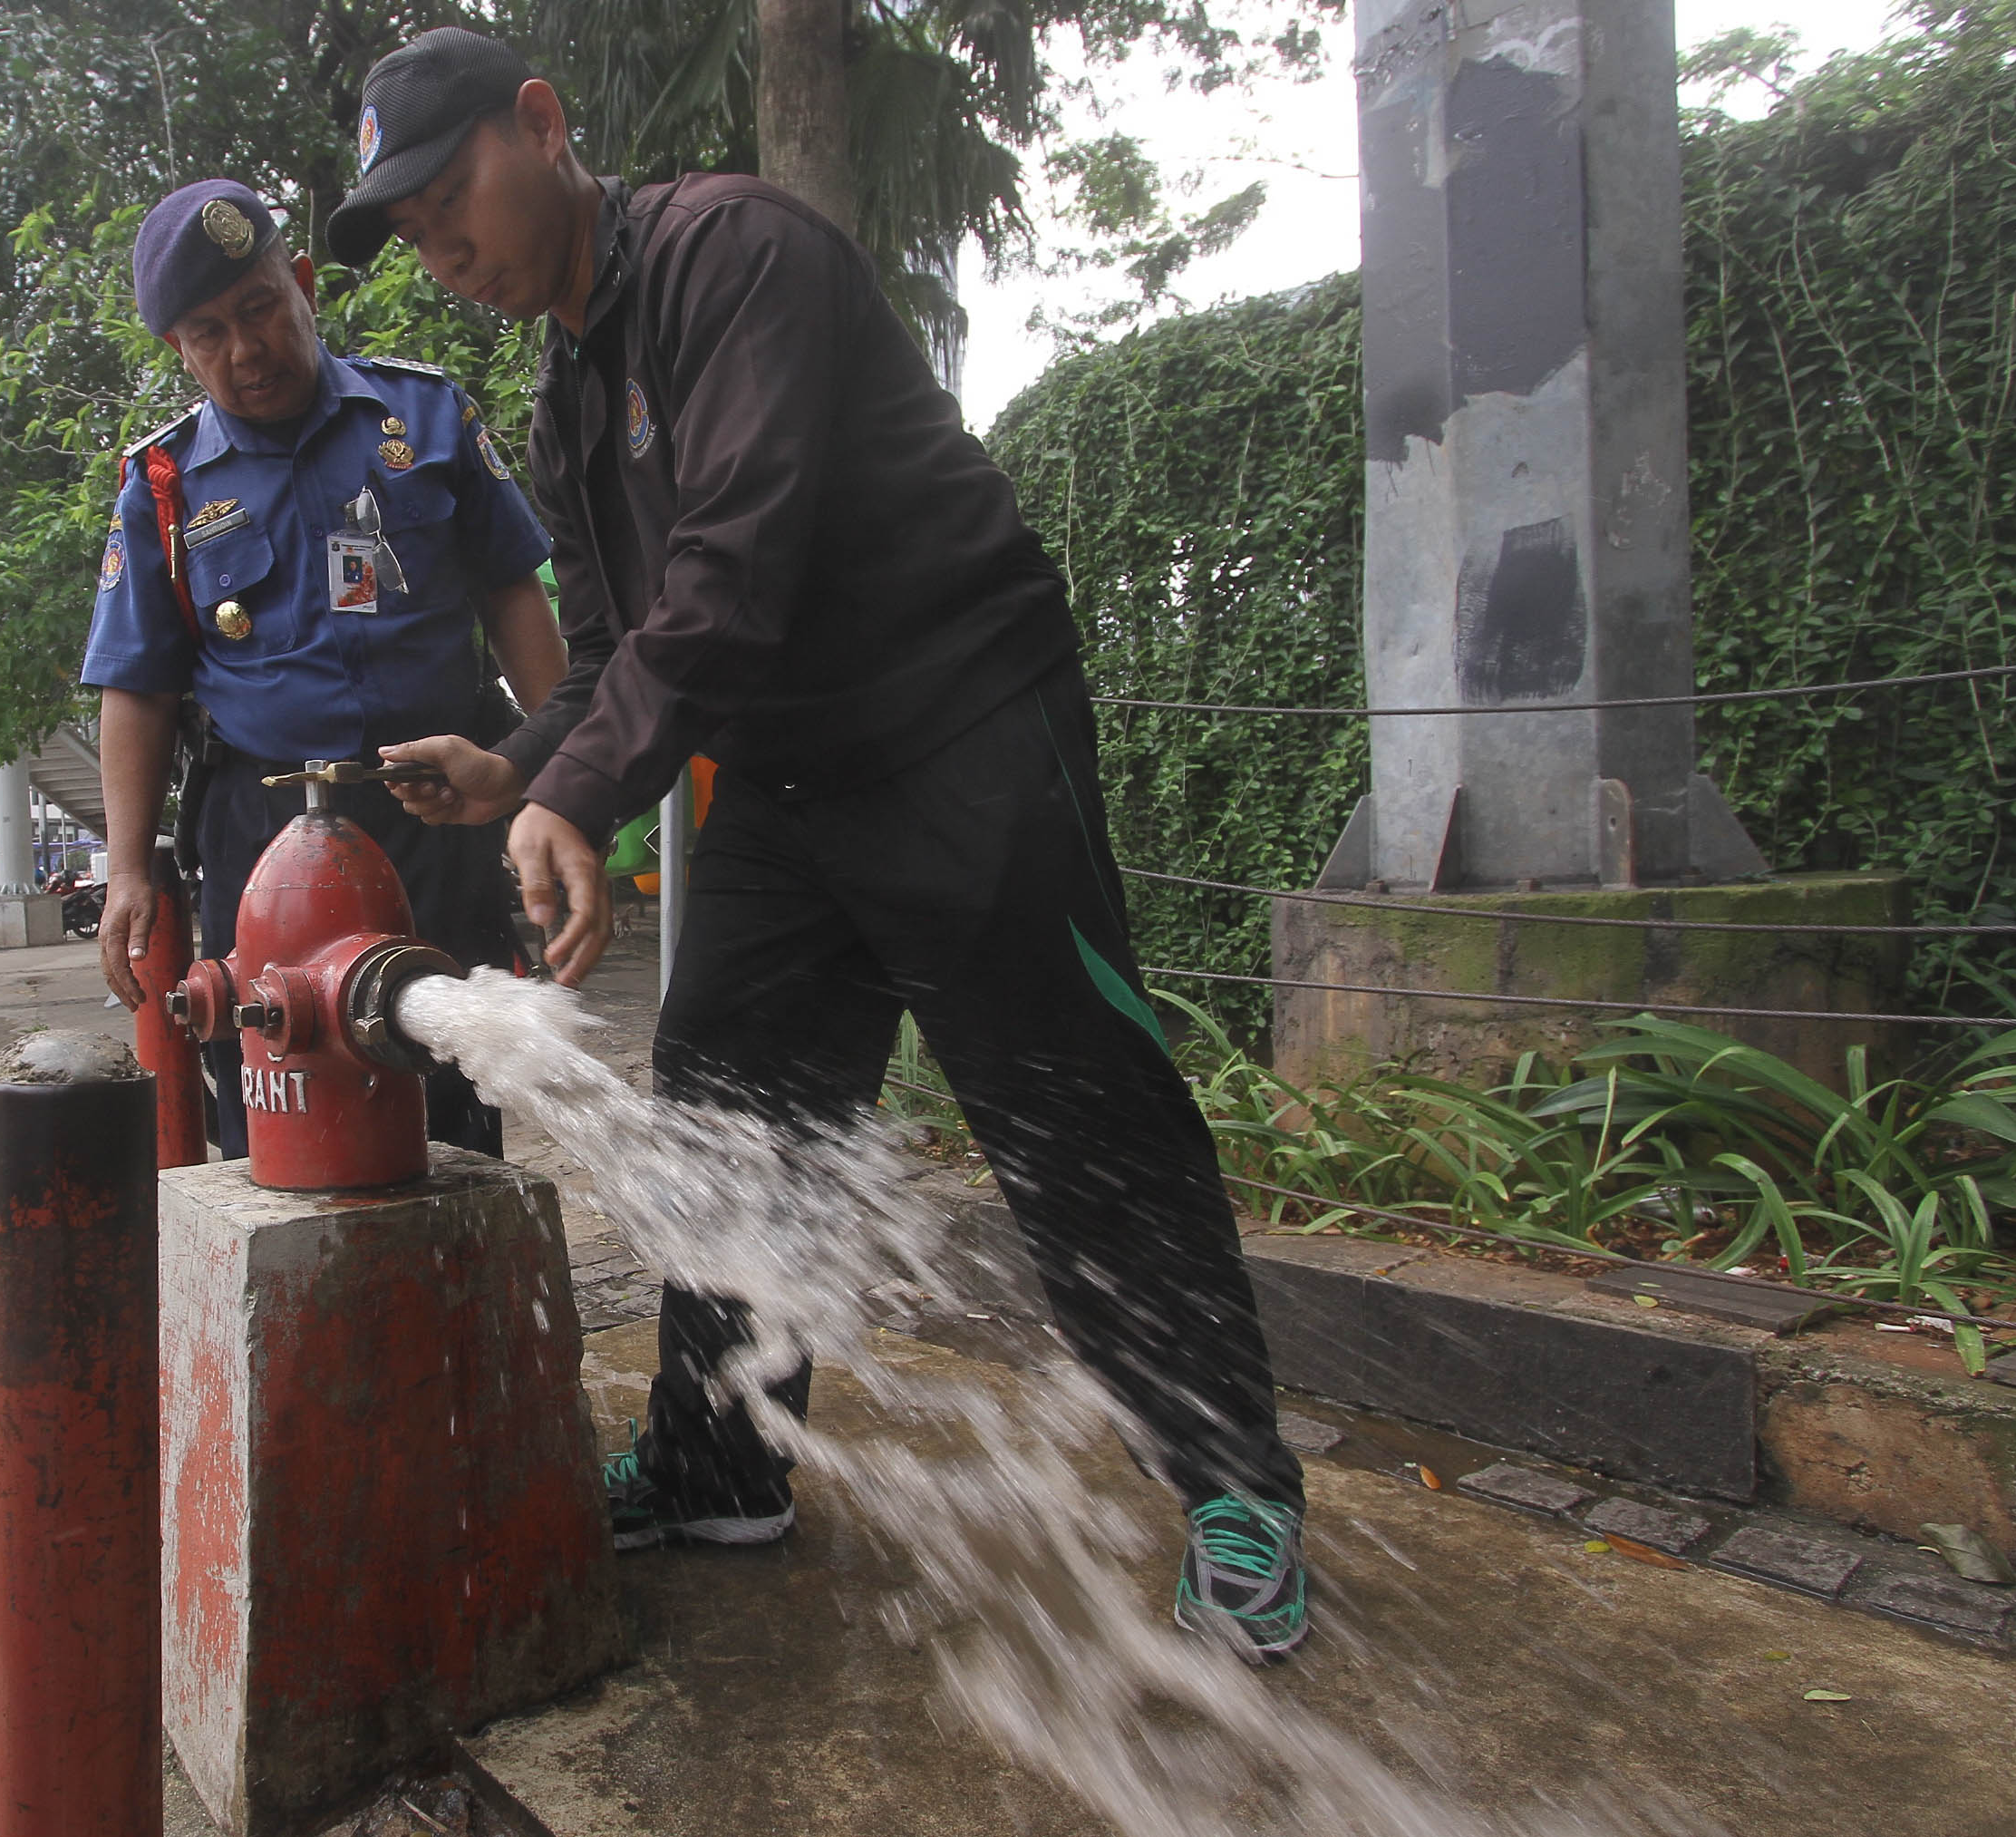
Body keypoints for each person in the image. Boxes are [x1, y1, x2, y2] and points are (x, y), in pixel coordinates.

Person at [334, 28, 1312, 1659]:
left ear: (541, 123)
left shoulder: (736, 250)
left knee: (1075, 1111)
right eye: (414, 235)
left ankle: (1234, 1493)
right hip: (778, 788)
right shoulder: (570, 389)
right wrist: (514, 766)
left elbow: (731, 561)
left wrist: (585, 793)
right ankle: (726, 1466)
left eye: (449, 201)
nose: (442, 251)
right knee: (728, 1125)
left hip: (956, 733)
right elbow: (601, 651)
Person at [82, 176, 566, 1159]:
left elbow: (516, 596)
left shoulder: (424, 418)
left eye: (260, 308)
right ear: (176, 348)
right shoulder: (163, 486)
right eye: (207, 332)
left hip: (434, 808)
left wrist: (566, 792)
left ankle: (449, 1293)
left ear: (302, 284)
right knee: (275, 1082)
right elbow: (137, 684)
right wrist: (129, 868)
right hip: (260, 834)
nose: (244, 349)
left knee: (450, 1084)